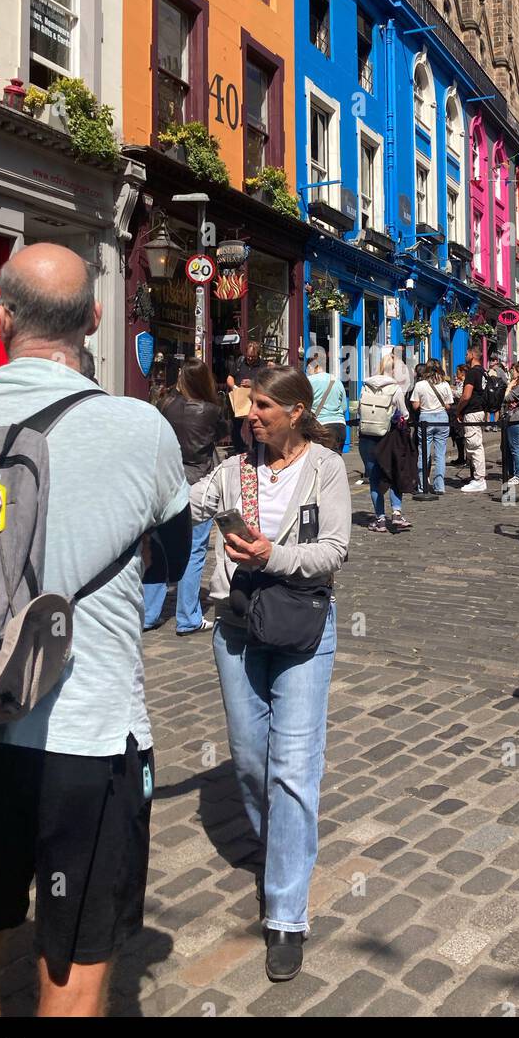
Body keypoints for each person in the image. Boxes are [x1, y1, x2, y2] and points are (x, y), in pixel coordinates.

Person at [0, 244, 191, 1017]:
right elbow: (170, 558)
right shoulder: (139, 427)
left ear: (0, 318)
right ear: (95, 319)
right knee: (75, 964)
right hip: (85, 733)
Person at [190, 366, 350, 983]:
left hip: (302, 627)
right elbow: (185, 504)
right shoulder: (235, 471)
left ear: (297, 411)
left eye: (261, 406)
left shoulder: (326, 468)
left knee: (293, 765)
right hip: (236, 625)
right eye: (247, 405)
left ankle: (285, 911)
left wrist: (272, 555)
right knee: (250, 757)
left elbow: (335, 548)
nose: (250, 415)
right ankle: (280, 843)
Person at [144, 357, 226, 635]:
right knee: (194, 550)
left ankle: (148, 613)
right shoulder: (212, 411)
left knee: (159, 549)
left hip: (165, 481)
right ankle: (188, 616)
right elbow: (224, 435)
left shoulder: (166, 405)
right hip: (197, 484)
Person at [358, 353, 411, 532]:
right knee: (394, 473)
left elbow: (360, 410)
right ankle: (396, 513)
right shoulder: (394, 388)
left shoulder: (365, 385)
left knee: (374, 479)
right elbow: (404, 413)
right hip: (388, 438)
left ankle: (380, 519)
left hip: (367, 437)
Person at [410, 360, 453, 494]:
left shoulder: (420, 385)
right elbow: (448, 405)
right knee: (440, 454)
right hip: (441, 418)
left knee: (424, 454)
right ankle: (439, 486)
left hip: (426, 419)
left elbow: (415, 406)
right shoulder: (445, 385)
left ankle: (422, 486)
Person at [454, 345, 488, 492]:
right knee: (475, 444)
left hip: (473, 411)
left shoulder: (473, 373)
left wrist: (459, 410)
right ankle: (476, 476)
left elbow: (466, 395)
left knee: (474, 446)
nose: (465, 355)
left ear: (472, 355)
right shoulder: (483, 372)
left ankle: (480, 479)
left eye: (467, 353)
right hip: (479, 410)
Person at [226, 340, 264, 453]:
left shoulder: (263, 365)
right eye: (248, 356)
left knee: (254, 426)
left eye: (253, 356)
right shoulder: (240, 362)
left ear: (258, 355)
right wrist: (234, 387)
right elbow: (230, 377)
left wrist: (253, 383)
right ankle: (239, 449)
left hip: (255, 400)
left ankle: (256, 450)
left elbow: (267, 382)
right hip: (239, 398)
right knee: (235, 427)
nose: (250, 359)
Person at [306, 355, 348, 454]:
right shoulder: (336, 381)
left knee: (320, 463)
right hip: (340, 427)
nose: (307, 371)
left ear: (312, 367)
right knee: (335, 461)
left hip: (321, 427)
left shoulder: (310, 381)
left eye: (307, 368)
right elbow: (344, 408)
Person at [501, 361, 519, 485]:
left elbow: (506, 398)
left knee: (515, 447)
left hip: (516, 419)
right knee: (509, 447)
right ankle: (514, 472)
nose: (512, 372)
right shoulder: (518, 387)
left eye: (514, 370)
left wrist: (508, 386)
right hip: (511, 419)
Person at [448, 364, 467, 467]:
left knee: (461, 435)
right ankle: (461, 457)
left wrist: (450, 390)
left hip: (461, 411)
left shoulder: (465, 382)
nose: (456, 374)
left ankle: (465, 458)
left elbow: (460, 394)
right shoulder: (460, 383)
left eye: (458, 372)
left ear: (462, 372)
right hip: (456, 410)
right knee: (458, 435)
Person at [485, 355, 508, 430]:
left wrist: (500, 389)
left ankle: (495, 424)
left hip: (497, 392)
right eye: (490, 360)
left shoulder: (500, 370)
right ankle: (488, 424)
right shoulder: (488, 370)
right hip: (489, 391)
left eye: (493, 360)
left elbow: (505, 382)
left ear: (496, 361)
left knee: (497, 408)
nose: (491, 362)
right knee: (488, 408)